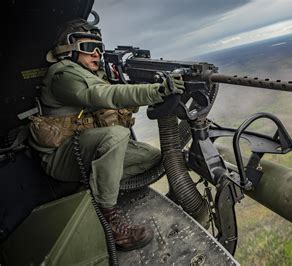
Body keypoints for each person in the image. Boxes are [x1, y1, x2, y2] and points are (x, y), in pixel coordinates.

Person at [29, 18, 184, 251]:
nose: (97, 54)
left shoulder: (92, 73)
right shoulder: (63, 74)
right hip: (61, 157)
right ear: (68, 50)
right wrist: (157, 91)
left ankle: (98, 187)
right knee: (117, 136)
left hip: (86, 150)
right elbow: (101, 95)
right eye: (90, 48)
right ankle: (110, 218)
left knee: (152, 158)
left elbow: (117, 100)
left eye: (100, 49)